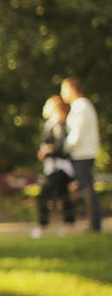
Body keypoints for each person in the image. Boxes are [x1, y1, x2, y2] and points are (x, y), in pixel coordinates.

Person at [61, 77, 102, 232]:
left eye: (64, 89)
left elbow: (76, 135)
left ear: (72, 89)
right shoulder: (80, 106)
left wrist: (63, 148)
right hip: (82, 153)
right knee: (85, 188)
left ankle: (94, 224)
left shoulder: (81, 107)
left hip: (83, 154)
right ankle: (93, 224)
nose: (63, 93)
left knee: (87, 189)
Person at [33, 95, 75, 238]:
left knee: (45, 194)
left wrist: (48, 151)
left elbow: (61, 147)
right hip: (53, 166)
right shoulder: (51, 124)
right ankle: (68, 224)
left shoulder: (60, 124)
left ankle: (42, 225)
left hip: (60, 167)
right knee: (63, 194)